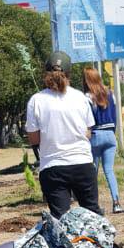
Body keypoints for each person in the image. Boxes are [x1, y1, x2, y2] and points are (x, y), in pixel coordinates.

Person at [26, 52, 101, 218]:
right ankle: (100, 244)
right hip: (82, 163)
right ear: (69, 74)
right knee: (92, 213)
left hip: (53, 166)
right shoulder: (80, 98)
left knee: (61, 218)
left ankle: (67, 244)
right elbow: (88, 132)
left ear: (45, 73)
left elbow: (34, 138)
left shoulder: (36, 100)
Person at [83, 67, 121, 213]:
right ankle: (117, 203)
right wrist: (113, 133)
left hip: (96, 135)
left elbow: (87, 121)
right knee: (109, 171)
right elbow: (115, 117)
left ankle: (94, 205)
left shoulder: (87, 97)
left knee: (93, 172)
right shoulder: (110, 93)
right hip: (110, 135)